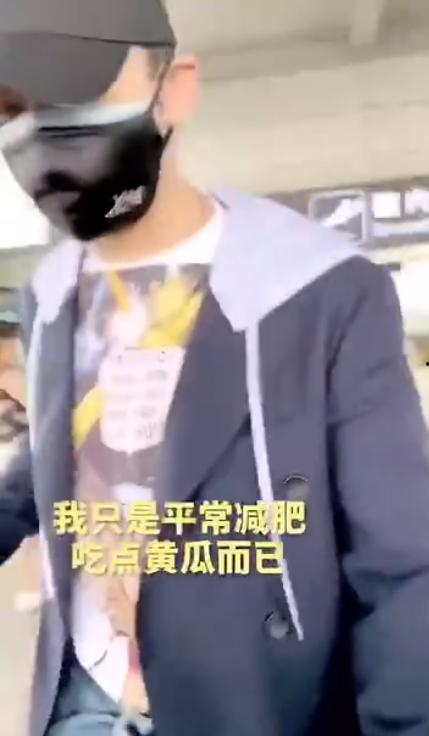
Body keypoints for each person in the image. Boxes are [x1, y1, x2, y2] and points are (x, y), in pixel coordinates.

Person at [0, 1, 428, 735]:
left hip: (251, 705)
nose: (41, 133)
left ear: (175, 90)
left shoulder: (317, 290)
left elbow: (402, 562)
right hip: (82, 704)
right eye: (10, 109)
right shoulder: (49, 295)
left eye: (73, 91)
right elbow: (55, 460)